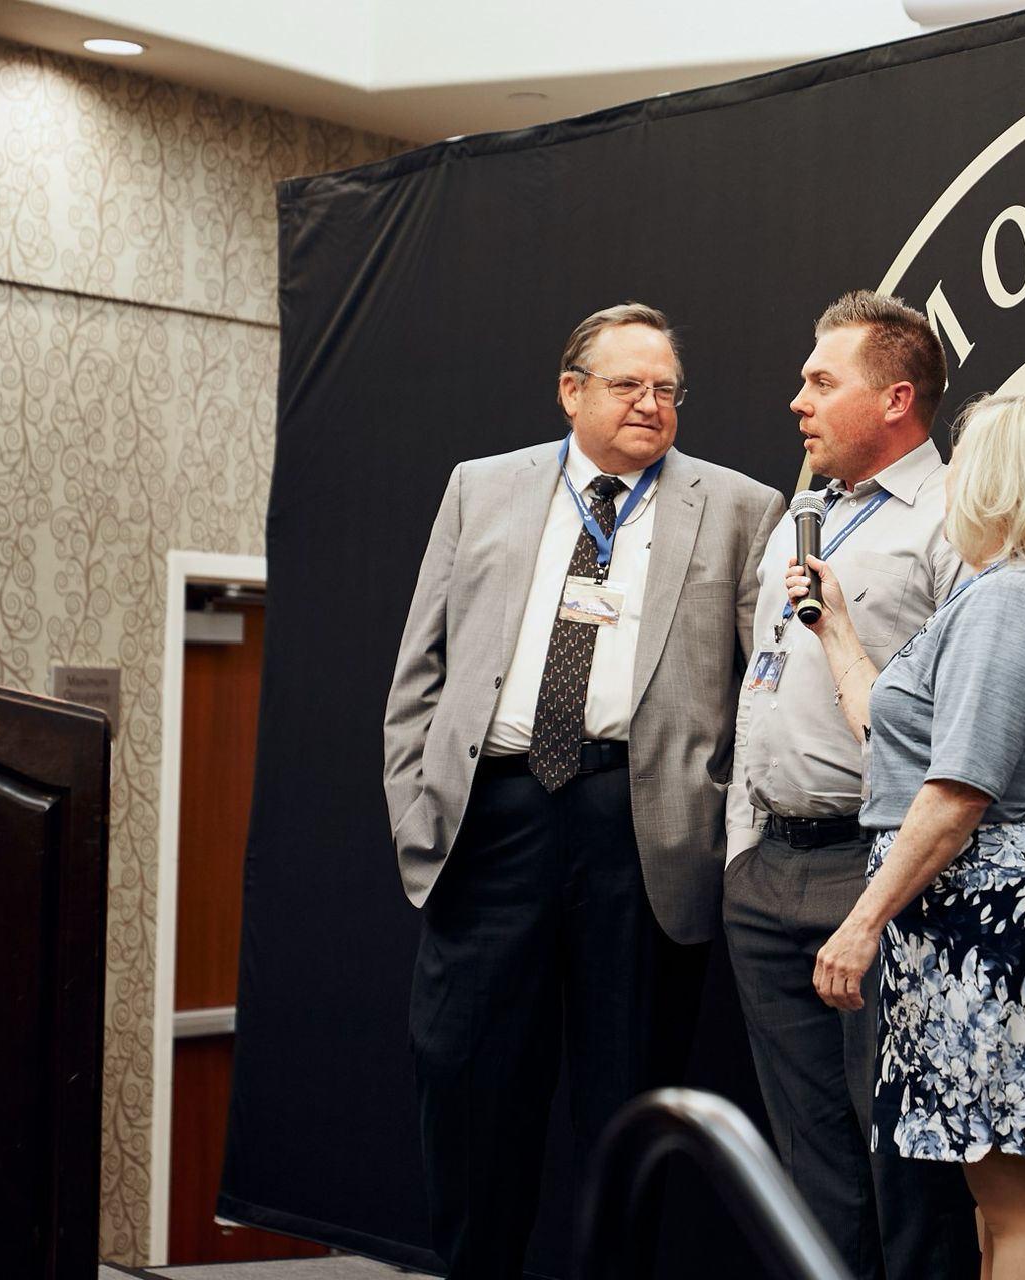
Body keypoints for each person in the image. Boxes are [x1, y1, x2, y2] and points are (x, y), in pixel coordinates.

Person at [382, 302, 784, 1280]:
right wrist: (416, 808)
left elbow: (763, 688)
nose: (650, 403)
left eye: (666, 389)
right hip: (496, 820)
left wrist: (727, 828)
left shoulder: (740, 507)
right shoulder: (481, 489)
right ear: (573, 391)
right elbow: (419, 669)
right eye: (627, 384)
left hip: (638, 832)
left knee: (628, 1100)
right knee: (472, 1087)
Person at [788, 393, 1025, 1280]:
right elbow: (894, 740)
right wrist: (837, 630)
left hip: (995, 908)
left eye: (967, 463)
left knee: (1012, 1197)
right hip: (988, 906)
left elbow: (956, 792)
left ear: (1002, 481)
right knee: (1002, 1187)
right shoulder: (1016, 594)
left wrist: (861, 923)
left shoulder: (1012, 601)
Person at [723, 291, 980, 1280]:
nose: (798, 401)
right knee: (810, 1160)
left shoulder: (957, 519)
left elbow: (967, 727)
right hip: (769, 871)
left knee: (904, 1156)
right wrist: (744, 849)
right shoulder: (805, 512)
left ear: (897, 399)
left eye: (822, 382)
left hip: (877, 873)